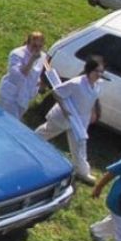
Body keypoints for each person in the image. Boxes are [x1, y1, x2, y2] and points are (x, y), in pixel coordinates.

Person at [34, 56, 105, 185]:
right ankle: (28, 141)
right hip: (64, 116)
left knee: (80, 145)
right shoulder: (76, 83)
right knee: (46, 132)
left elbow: (93, 98)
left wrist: (93, 112)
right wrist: (65, 109)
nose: (99, 74)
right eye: (97, 71)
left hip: (80, 121)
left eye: (101, 71)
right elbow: (57, 92)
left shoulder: (97, 84)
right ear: (89, 70)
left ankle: (82, 172)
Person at [0, 31, 46, 119]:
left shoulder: (42, 56)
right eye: (34, 46)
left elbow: (38, 73)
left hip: (25, 96)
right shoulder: (17, 54)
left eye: (40, 46)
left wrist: (40, 82)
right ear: (28, 43)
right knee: (9, 120)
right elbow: (20, 75)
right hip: (10, 95)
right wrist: (32, 59)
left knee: (15, 120)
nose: (37, 49)